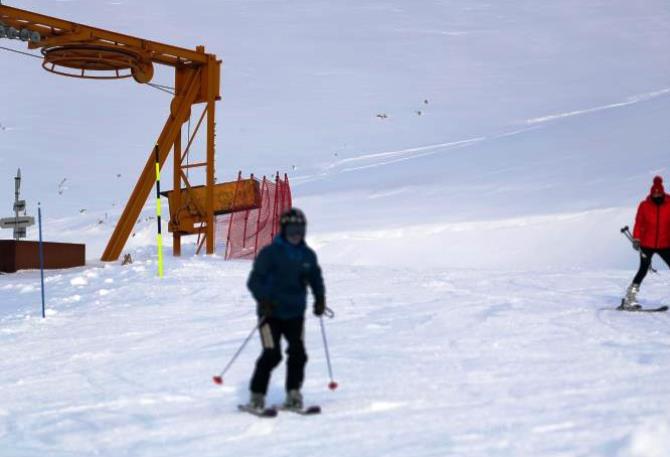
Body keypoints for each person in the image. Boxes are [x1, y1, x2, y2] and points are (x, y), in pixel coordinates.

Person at [245, 208, 326, 410]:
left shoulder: (307, 256)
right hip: (270, 314)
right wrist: (263, 300)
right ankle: (257, 395)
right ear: (283, 229)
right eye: (292, 229)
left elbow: (315, 278)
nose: (296, 234)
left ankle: (293, 394)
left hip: (294, 314)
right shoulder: (270, 254)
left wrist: (320, 299)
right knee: (272, 354)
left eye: (299, 229)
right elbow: (255, 280)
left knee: (298, 353)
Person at [622, 176, 670, 309]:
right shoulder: (644, 205)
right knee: (643, 269)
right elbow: (639, 222)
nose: (656, 195)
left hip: (665, 244)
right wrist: (636, 239)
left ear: (662, 192)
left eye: (658, 192)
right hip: (647, 244)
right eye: (654, 193)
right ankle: (629, 298)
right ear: (651, 192)